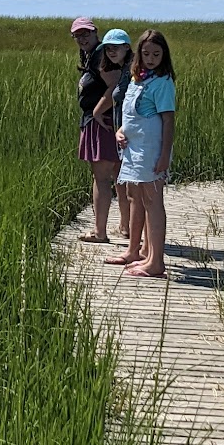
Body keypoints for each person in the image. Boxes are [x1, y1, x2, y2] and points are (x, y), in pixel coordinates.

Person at [107, 29, 176, 277]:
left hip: (151, 148)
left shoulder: (163, 82)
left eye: (156, 54)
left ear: (164, 55)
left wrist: (164, 154)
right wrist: (120, 131)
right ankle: (139, 250)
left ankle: (156, 262)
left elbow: (168, 120)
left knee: (153, 201)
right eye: (146, 53)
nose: (150, 58)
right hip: (133, 147)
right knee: (137, 196)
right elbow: (132, 114)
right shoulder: (139, 78)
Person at [76, 24, 132, 242]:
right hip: (115, 122)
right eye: (77, 35)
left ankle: (100, 232)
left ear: (95, 33)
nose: (82, 38)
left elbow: (115, 86)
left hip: (103, 123)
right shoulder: (97, 55)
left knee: (101, 178)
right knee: (120, 177)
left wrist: (98, 111)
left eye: (86, 33)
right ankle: (125, 226)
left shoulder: (100, 55)